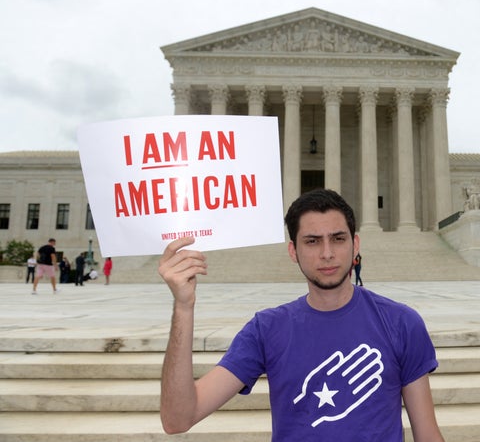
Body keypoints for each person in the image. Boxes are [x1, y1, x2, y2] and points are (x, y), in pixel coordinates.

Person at [158, 189, 445, 441]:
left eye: (338, 238)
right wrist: (183, 307)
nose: (327, 253)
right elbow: (178, 419)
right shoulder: (267, 329)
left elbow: (428, 435)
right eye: (312, 241)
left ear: (355, 245)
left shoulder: (401, 323)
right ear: (293, 251)